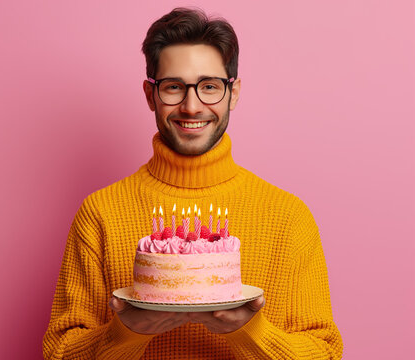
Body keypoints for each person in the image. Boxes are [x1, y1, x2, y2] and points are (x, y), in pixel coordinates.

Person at [43, 7, 343, 359]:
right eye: (173, 87)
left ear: (233, 92)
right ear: (150, 94)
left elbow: (325, 354)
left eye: (209, 87)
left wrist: (251, 331)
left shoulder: (289, 217)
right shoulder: (101, 212)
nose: (191, 106)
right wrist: (125, 333)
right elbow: (59, 352)